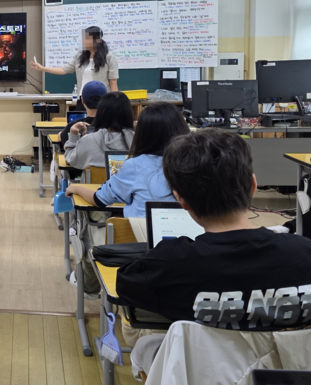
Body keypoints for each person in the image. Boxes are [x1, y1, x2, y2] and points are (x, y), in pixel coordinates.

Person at [118, 130, 311, 378]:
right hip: (291, 375)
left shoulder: (172, 264)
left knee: (146, 342)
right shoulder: (304, 253)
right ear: (253, 185)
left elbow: (124, 284)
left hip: (208, 376)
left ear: (180, 199)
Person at [65, 102, 189, 218]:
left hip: (140, 232)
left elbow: (99, 199)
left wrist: (76, 188)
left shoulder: (135, 165)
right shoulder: (193, 163)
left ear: (143, 133)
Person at [30, 26, 119, 109]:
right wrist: (42, 68)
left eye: (87, 38)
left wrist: (115, 103)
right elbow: (64, 70)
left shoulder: (109, 57)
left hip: (102, 100)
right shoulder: (80, 56)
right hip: (83, 100)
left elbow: (113, 82)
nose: (84, 41)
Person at [64, 91, 134, 170]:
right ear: (129, 113)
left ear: (100, 113)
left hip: (95, 179)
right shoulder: (138, 142)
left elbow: (70, 159)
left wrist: (73, 135)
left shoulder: (88, 141)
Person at [59, 81, 107, 146]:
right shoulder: (113, 125)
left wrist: (66, 130)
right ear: (105, 101)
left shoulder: (74, 126)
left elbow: (61, 138)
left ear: (82, 100)